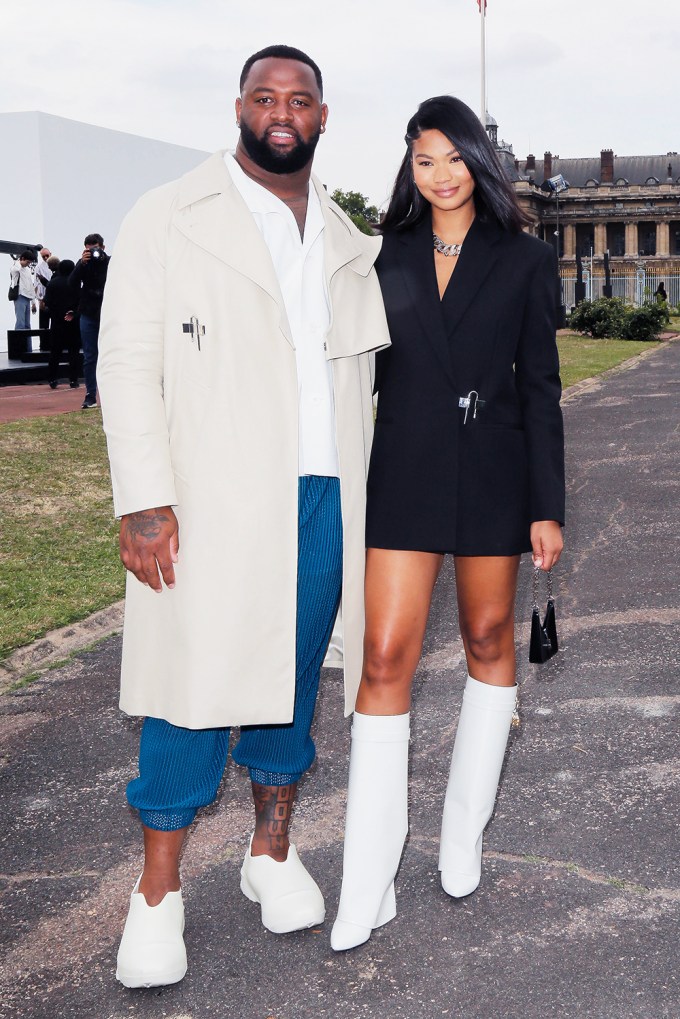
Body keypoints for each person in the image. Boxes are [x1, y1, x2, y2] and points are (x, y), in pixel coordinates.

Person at [97, 44, 389, 989]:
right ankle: (157, 895)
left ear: (322, 117)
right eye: (265, 96)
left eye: (299, 99)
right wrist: (144, 497)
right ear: (238, 108)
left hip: (324, 492)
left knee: (293, 681)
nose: (281, 112)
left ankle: (270, 852)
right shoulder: (169, 215)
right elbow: (126, 361)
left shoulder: (345, 239)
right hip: (210, 493)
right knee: (191, 687)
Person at [330, 95, 565, 952]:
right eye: (425, 160)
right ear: (410, 166)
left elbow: (540, 385)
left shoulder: (526, 259)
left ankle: (462, 833)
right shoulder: (379, 252)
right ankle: (368, 879)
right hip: (405, 469)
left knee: (488, 637)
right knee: (384, 654)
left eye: (455, 157)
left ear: (479, 161)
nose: (442, 175)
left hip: (496, 473)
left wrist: (547, 505)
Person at [69, 233, 109, 408]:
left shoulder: (111, 263)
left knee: (111, 354)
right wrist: (81, 264)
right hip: (88, 313)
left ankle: (111, 395)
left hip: (108, 313)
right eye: (89, 250)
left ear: (103, 248)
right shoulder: (83, 264)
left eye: (96, 249)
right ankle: (90, 395)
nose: (93, 253)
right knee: (90, 356)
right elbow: (71, 283)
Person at [44, 259, 81, 388]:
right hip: (73, 321)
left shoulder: (52, 283)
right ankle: (73, 380)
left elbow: (48, 302)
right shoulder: (75, 283)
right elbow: (79, 301)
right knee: (73, 352)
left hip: (57, 321)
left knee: (55, 351)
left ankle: (52, 379)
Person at [10, 250, 37, 329]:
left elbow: (30, 285)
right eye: (27, 262)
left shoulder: (27, 270)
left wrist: (33, 302)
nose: (28, 264)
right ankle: (18, 337)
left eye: (29, 263)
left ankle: (27, 338)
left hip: (28, 297)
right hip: (20, 296)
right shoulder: (15, 267)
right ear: (22, 258)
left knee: (27, 324)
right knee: (20, 323)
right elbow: (17, 268)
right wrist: (19, 261)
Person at [34, 247, 53, 331]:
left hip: (54, 298)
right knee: (43, 324)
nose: (45, 257)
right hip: (44, 298)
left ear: (50, 254)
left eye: (47, 255)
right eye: (43, 256)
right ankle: (43, 339)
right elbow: (36, 284)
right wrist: (39, 299)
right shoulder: (38, 267)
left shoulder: (56, 264)